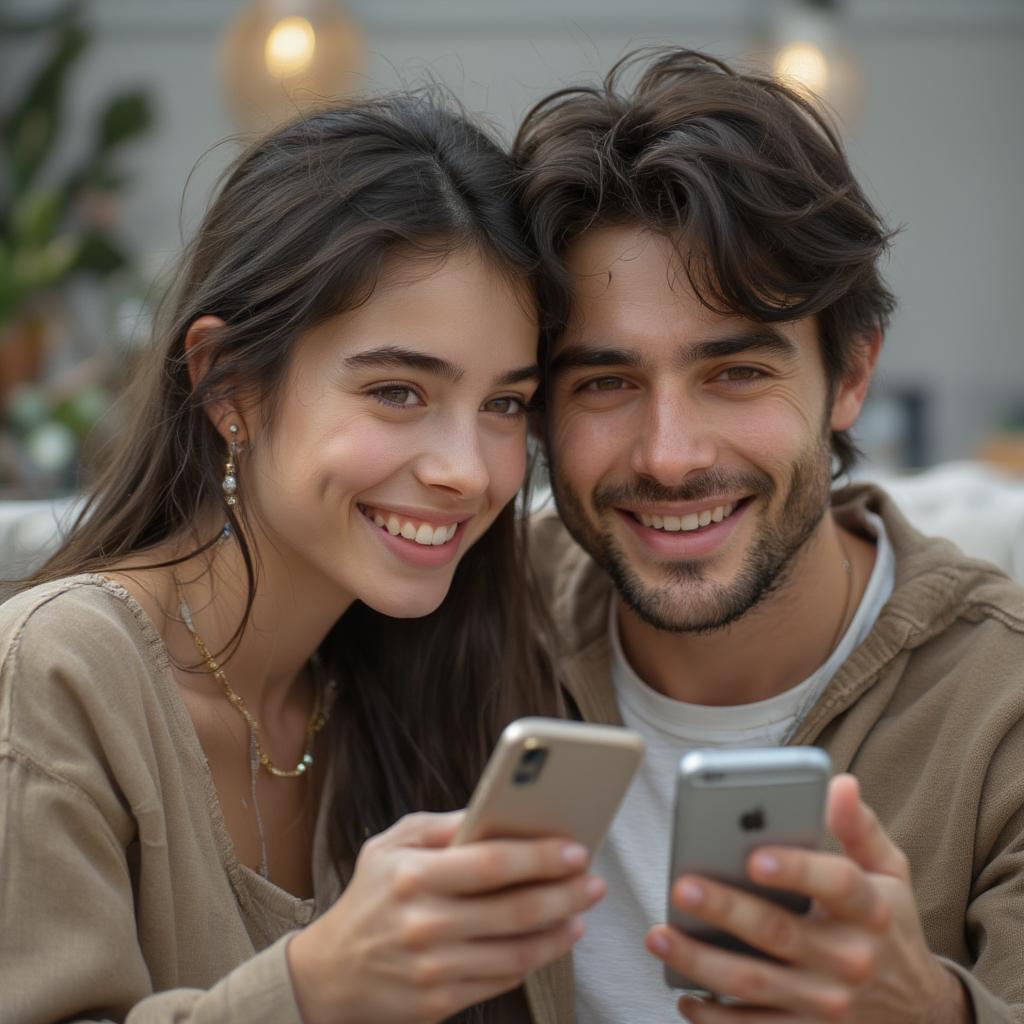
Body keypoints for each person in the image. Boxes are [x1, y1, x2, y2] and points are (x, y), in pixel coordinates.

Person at [0, 92, 608, 1024]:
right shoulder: (55, 672)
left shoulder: (426, 677)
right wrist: (317, 985)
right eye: (399, 391)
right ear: (227, 382)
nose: (466, 473)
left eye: (505, 404)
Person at [514, 48, 1024, 1023]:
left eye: (736, 372)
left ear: (852, 372)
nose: (668, 457)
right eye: (605, 383)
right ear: (536, 410)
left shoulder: (1001, 707)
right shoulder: (460, 624)